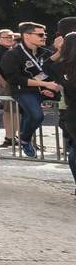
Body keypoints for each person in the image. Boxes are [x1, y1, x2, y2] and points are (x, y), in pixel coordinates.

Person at [0, 21, 62, 158]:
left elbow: (47, 68)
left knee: (66, 104)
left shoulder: (44, 52)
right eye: (40, 34)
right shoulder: (12, 55)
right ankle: (25, 139)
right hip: (22, 90)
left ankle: (68, 142)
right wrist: (46, 85)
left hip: (43, 89)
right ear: (26, 36)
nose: (44, 37)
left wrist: (60, 51)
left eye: (45, 34)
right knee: (36, 115)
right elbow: (14, 78)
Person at [52, 29, 76, 190]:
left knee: (73, 151)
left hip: (71, 114)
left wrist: (59, 51)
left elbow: (46, 67)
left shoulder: (63, 67)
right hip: (71, 113)